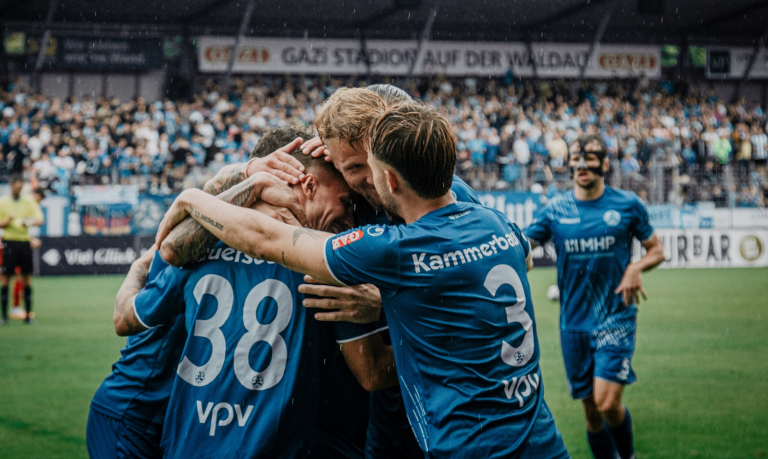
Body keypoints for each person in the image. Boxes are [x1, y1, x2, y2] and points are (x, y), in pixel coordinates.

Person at [157, 103, 569, 459]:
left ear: (388, 180)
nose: (360, 186)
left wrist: (194, 196)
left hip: (471, 445)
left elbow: (266, 240)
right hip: (540, 438)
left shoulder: (392, 248)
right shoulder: (496, 222)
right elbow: (524, 260)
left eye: (362, 171)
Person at [115, 128, 396, 459]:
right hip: (270, 447)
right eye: (346, 202)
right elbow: (373, 372)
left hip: (189, 443)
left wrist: (206, 194)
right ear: (307, 184)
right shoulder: (326, 261)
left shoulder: (204, 244)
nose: (350, 219)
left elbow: (139, 298)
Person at [86, 133, 314, 459]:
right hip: (133, 409)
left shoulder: (216, 240)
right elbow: (124, 319)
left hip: (171, 417)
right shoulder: (195, 246)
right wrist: (141, 265)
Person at [301, 85, 481, 459]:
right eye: (352, 168)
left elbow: (498, 274)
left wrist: (384, 302)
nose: (372, 176)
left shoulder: (445, 194)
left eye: (370, 159)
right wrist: (252, 169)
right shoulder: (354, 210)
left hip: (464, 406)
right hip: (392, 420)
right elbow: (371, 372)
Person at [523, 134, 665, 459]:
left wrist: (636, 267)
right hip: (573, 323)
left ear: (605, 163)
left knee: (607, 403)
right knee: (591, 413)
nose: (581, 164)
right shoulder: (555, 210)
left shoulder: (627, 205)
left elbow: (657, 250)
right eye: (575, 158)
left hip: (615, 317)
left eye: (590, 157)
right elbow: (521, 248)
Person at [0, 174, 44, 325]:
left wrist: (28, 222)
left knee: (27, 280)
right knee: (5, 279)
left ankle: (28, 316)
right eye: (16, 186)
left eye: (21, 186)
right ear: (11, 185)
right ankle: (4, 317)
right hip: (9, 243)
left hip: (25, 243)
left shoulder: (29, 201)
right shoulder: (3, 202)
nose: (19, 188)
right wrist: (5, 222)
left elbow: (40, 219)